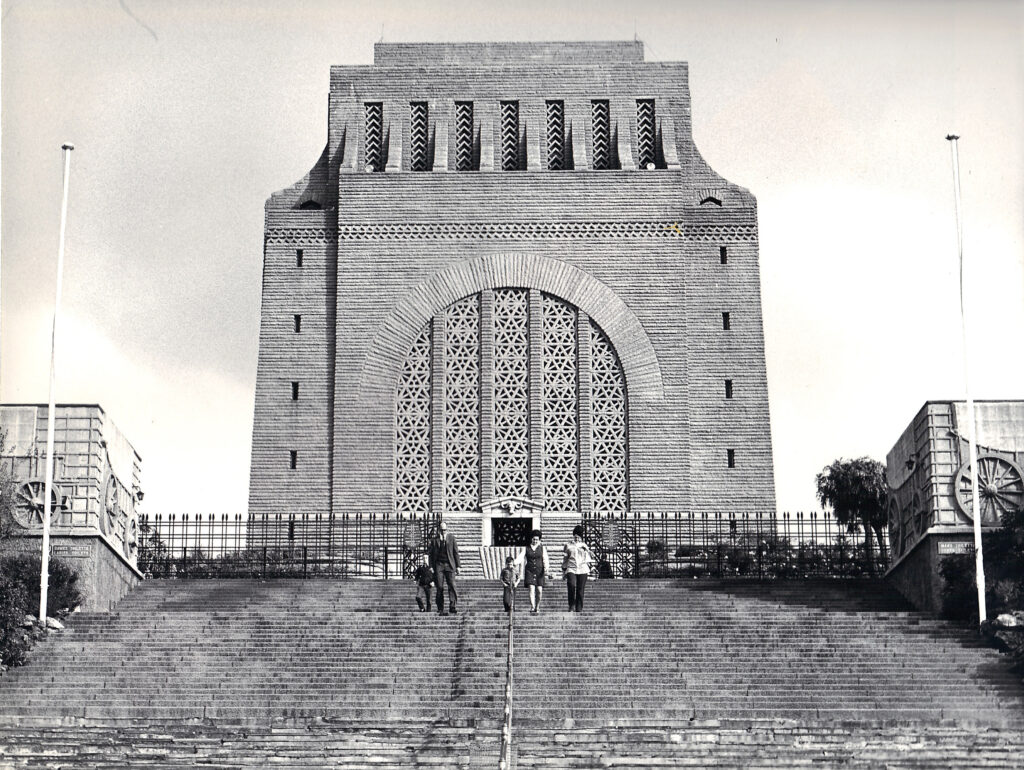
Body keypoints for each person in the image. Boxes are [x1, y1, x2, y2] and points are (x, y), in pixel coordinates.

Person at [430, 520, 460, 615]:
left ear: (447, 529)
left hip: (450, 565)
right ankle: (440, 607)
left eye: (445, 530)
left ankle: (453, 606)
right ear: (439, 530)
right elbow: (430, 554)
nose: (443, 532)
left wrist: (458, 566)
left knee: (452, 585)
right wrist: (431, 566)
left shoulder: (451, 538)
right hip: (439, 565)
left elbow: (456, 552)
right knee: (439, 586)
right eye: (442, 530)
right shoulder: (435, 540)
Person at [516, 529, 550, 614]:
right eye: (534, 539)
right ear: (531, 539)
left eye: (537, 539)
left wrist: (546, 568)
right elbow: (521, 557)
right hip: (529, 571)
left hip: (539, 571)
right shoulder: (526, 548)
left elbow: (545, 559)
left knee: (539, 590)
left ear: (539, 540)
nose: (535, 541)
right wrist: (514, 563)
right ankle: (532, 606)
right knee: (531, 588)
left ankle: (537, 606)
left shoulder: (542, 548)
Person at [562, 525, 594, 613]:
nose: (577, 538)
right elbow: (565, 558)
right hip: (571, 568)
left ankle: (579, 608)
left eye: (578, 536)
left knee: (580, 589)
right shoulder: (568, 545)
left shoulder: (584, 546)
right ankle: (571, 605)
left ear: (581, 537)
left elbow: (589, 557)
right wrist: (563, 570)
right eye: (575, 536)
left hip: (583, 569)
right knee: (572, 585)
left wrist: (589, 552)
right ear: (573, 536)